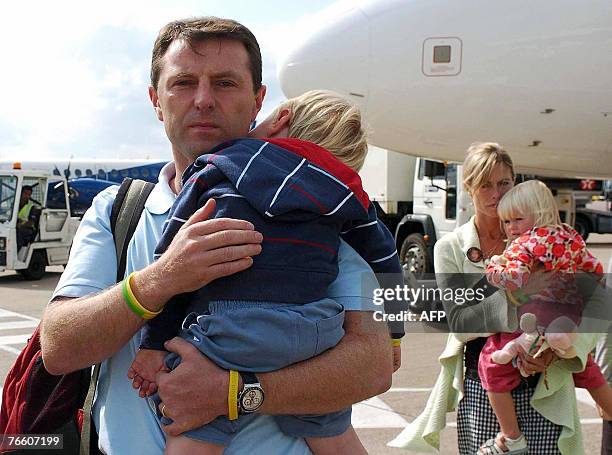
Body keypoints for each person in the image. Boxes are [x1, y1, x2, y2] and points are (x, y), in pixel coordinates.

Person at [40, 17, 393, 455]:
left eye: (225, 83)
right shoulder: (118, 210)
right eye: (184, 82)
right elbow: (58, 349)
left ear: (257, 101)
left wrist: (238, 392)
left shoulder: (316, 214)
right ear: (156, 100)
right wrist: (162, 278)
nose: (204, 100)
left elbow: (376, 365)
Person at [126, 89, 403, 454]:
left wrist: (153, 343)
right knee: (332, 431)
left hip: (231, 330)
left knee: (189, 433)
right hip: (313, 333)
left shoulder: (219, 166)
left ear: (281, 121)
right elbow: (386, 260)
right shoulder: (343, 191)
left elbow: (170, 262)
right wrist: (395, 335)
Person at [388, 142, 605, 454]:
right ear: (468, 187)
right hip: (485, 386)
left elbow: (596, 301)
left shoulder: (548, 236)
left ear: (515, 182)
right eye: (485, 184)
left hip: (547, 382)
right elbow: (460, 323)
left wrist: (563, 350)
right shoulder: (449, 247)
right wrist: (525, 294)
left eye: (504, 183)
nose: (496, 194)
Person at [480, 179, 610, 454]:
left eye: (517, 219)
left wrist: (494, 272)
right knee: (584, 367)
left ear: (538, 214)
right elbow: (592, 266)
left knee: (491, 364)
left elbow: (515, 278)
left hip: (536, 315)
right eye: (506, 222)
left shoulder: (523, 244)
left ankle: (511, 435)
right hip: (568, 313)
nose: (511, 228)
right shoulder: (570, 235)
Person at [16, 185, 37, 251]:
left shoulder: (31, 207)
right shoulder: (14, 204)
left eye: (29, 194)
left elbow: (31, 222)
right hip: (15, 226)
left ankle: (15, 253)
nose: (27, 196)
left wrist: (21, 224)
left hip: (27, 229)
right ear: (20, 193)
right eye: (25, 193)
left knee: (18, 232)